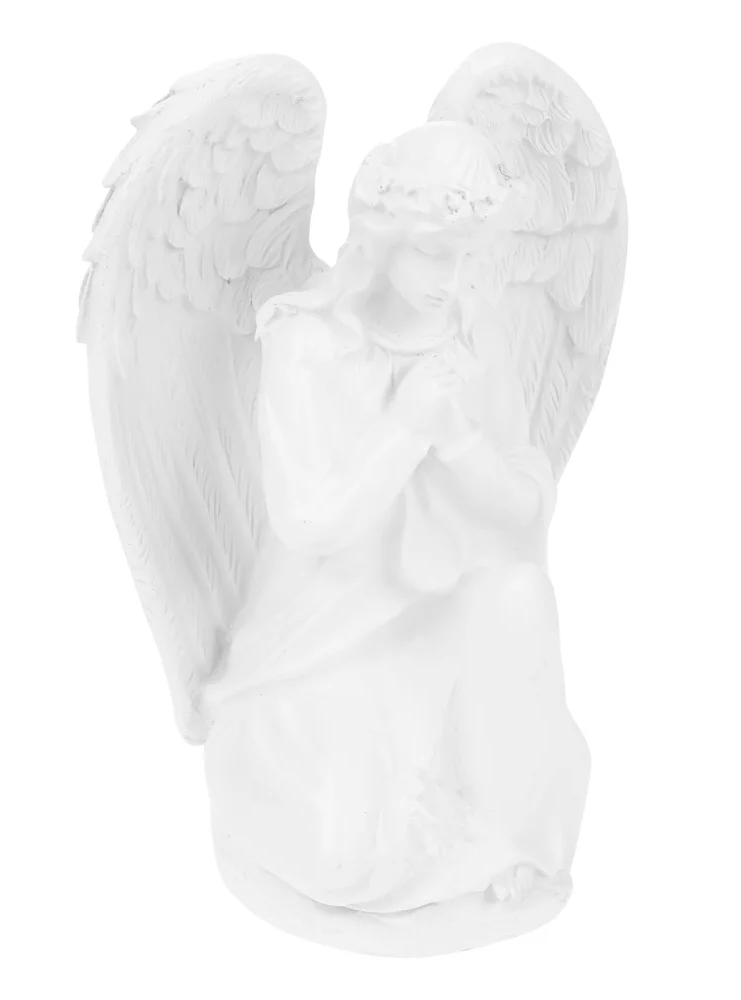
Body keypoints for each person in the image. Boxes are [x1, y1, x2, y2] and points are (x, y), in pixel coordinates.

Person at [203, 122, 589, 913]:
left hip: (446, 619)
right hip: (325, 641)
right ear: (383, 238)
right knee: (344, 855)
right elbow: (309, 521)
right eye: (436, 254)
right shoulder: (308, 343)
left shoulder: (475, 335)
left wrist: (459, 440)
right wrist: (407, 426)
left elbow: (523, 510)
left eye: (471, 256)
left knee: (520, 598)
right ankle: (427, 838)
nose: (457, 280)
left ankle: (505, 832)